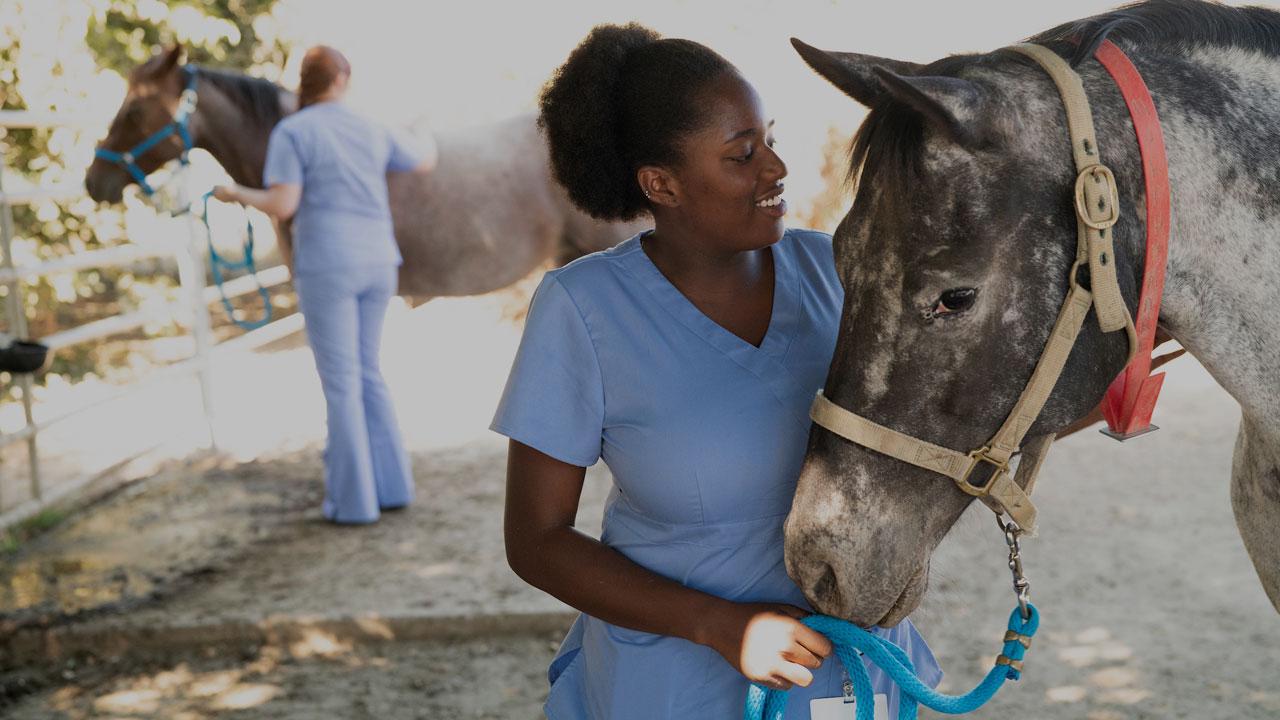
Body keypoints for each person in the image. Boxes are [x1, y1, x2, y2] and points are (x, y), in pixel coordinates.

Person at [491, 24, 941, 719]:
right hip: (678, 678)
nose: (776, 168)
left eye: (770, 139)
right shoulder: (584, 310)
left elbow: (952, 420)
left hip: (848, 673)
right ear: (661, 183)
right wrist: (718, 625)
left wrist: (1103, 395)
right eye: (742, 154)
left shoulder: (839, 272)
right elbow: (537, 542)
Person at [214, 46, 437, 524]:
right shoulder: (371, 125)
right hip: (378, 261)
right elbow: (422, 160)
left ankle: (354, 505)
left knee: (341, 384)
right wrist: (420, 128)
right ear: (342, 79)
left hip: (328, 264)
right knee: (369, 373)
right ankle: (394, 489)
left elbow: (283, 204)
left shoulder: (293, 131)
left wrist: (234, 192)